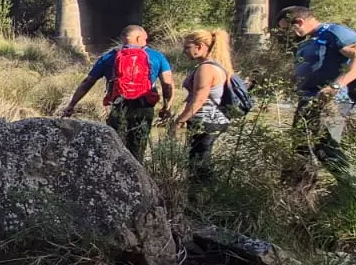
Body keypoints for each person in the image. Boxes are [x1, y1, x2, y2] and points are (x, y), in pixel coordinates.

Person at [278, 6, 356, 172]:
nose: (286, 34)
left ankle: (354, 189)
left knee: (326, 148)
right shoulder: (310, 39)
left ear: (300, 22)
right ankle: (297, 194)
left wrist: (335, 86)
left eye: (287, 28)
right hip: (308, 100)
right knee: (301, 148)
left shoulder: (334, 32)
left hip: (332, 101)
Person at [60, 25, 175, 160]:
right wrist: (167, 106)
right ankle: (137, 177)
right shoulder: (156, 56)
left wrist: (72, 104)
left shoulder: (109, 57)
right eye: (145, 39)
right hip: (144, 107)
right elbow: (168, 84)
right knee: (138, 148)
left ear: (123, 39)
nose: (146, 41)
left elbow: (87, 82)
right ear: (139, 38)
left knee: (115, 147)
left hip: (119, 106)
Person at [170, 28, 234, 178]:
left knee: (198, 165)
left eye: (187, 47)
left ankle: (201, 196)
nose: (184, 51)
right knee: (199, 161)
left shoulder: (206, 69)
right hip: (212, 120)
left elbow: (199, 98)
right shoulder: (215, 65)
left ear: (199, 46)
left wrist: (180, 119)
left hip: (206, 121)